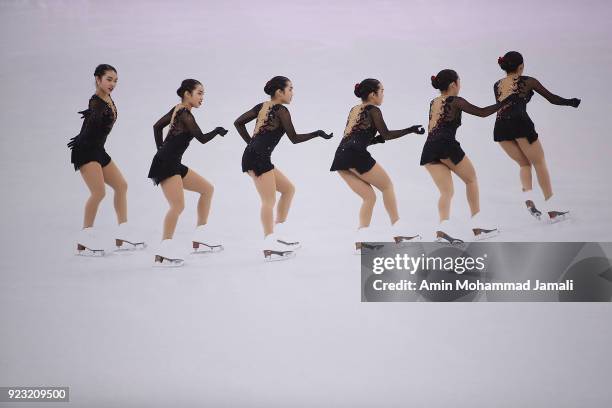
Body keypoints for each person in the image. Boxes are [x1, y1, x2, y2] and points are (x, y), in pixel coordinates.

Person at [234, 76, 333, 261]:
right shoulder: (281, 110)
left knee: (288, 189)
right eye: (290, 89)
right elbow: (294, 138)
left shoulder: (261, 106)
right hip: (257, 159)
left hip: (256, 156)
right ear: (279, 92)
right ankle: (269, 243)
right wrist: (317, 133)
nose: (292, 93)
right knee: (268, 201)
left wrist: (251, 144)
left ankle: (277, 233)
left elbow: (238, 122)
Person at [330, 78, 424, 252]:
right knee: (387, 186)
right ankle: (399, 232)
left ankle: (361, 242)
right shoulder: (374, 110)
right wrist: (410, 130)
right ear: (373, 94)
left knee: (369, 197)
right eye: (381, 91)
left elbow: (353, 137)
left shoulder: (354, 109)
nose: (383, 95)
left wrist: (374, 140)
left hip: (340, 157)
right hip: (356, 155)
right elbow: (386, 134)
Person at [493, 51, 580, 222]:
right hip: (521, 125)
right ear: (521, 66)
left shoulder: (496, 84)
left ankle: (530, 202)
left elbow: (505, 106)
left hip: (501, 128)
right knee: (539, 164)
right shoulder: (528, 81)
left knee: (524, 165)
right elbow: (552, 98)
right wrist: (570, 102)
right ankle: (552, 211)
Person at [148, 79, 228, 266]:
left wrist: (161, 149)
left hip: (172, 162)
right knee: (177, 206)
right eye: (199, 93)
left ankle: (200, 234)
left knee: (207, 189)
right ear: (187, 94)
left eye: (203, 94)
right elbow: (201, 138)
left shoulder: (178, 109)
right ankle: (163, 250)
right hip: (166, 164)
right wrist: (216, 131)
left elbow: (157, 126)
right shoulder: (185, 114)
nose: (202, 97)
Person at [67, 64, 145, 256]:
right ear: (97, 79)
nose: (113, 84)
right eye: (109, 79)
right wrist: (92, 117)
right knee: (98, 192)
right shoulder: (96, 103)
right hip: (85, 151)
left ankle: (123, 231)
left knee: (121, 186)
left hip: (98, 150)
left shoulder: (107, 98)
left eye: (115, 80)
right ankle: (85, 237)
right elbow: (91, 121)